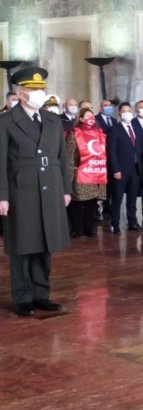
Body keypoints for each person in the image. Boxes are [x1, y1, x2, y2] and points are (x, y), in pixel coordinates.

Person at [0, 67, 72, 317]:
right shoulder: (6, 121)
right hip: (22, 190)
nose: (40, 94)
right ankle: (23, 298)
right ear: (20, 94)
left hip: (50, 188)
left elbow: (63, 159)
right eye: (33, 90)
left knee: (45, 244)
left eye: (41, 89)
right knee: (23, 246)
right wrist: (2, 196)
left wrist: (66, 188)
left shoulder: (52, 120)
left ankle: (42, 294)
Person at [66, 107, 107, 237]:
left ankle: (90, 228)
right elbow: (70, 156)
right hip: (80, 173)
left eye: (92, 116)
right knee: (77, 203)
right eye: (88, 116)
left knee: (92, 203)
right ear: (82, 119)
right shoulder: (75, 133)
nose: (91, 118)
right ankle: (77, 229)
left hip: (95, 173)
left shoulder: (100, 134)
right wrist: (70, 176)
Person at [107, 102, 143, 233]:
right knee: (117, 198)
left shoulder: (135, 127)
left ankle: (132, 222)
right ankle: (115, 224)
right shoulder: (114, 129)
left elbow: (139, 148)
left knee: (132, 199)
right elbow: (111, 152)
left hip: (135, 169)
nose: (127, 113)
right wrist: (116, 169)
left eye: (129, 110)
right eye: (124, 111)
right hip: (121, 171)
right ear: (119, 113)